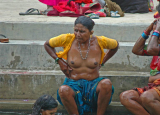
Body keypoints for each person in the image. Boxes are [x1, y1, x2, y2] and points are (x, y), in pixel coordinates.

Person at [44, 16, 119, 115]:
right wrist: (59, 61)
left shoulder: (100, 41)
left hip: (94, 84)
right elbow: (47, 44)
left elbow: (115, 45)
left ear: (91, 32)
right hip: (73, 84)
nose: (78, 34)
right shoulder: (67, 39)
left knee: (107, 83)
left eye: (82, 31)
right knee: (63, 90)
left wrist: (103, 61)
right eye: (76, 30)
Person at [119, 12, 160, 115]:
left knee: (147, 97)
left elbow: (151, 49)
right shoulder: (156, 48)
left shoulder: (154, 48)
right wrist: (148, 30)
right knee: (126, 97)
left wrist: (156, 30)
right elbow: (136, 50)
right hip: (154, 87)